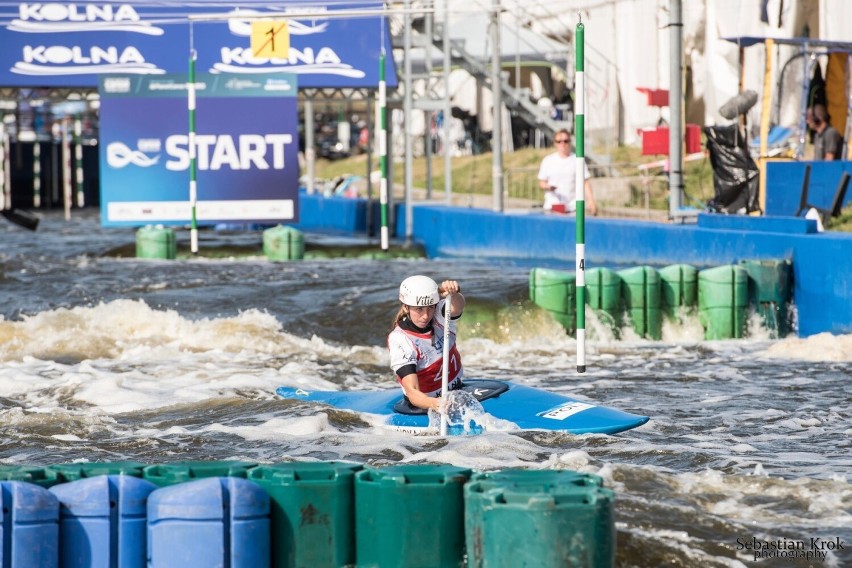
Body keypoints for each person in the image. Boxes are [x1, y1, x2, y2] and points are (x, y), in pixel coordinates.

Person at [388, 275, 465, 411]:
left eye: (430, 308)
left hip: (457, 392)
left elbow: (457, 307)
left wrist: (455, 293)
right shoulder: (400, 339)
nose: (426, 316)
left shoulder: (440, 316)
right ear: (406, 307)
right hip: (425, 404)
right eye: (419, 309)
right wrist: (435, 403)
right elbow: (413, 392)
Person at [537, 128, 598, 215]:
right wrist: (548, 186)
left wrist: (591, 201)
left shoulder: (577, 160)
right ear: (555, 143)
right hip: (552, 207)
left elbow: (586, 182)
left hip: (572, 208)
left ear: (570, 142)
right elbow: (542, 182)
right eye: (559, 141)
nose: (562, 144)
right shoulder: (547, 160)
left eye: (565, 141)